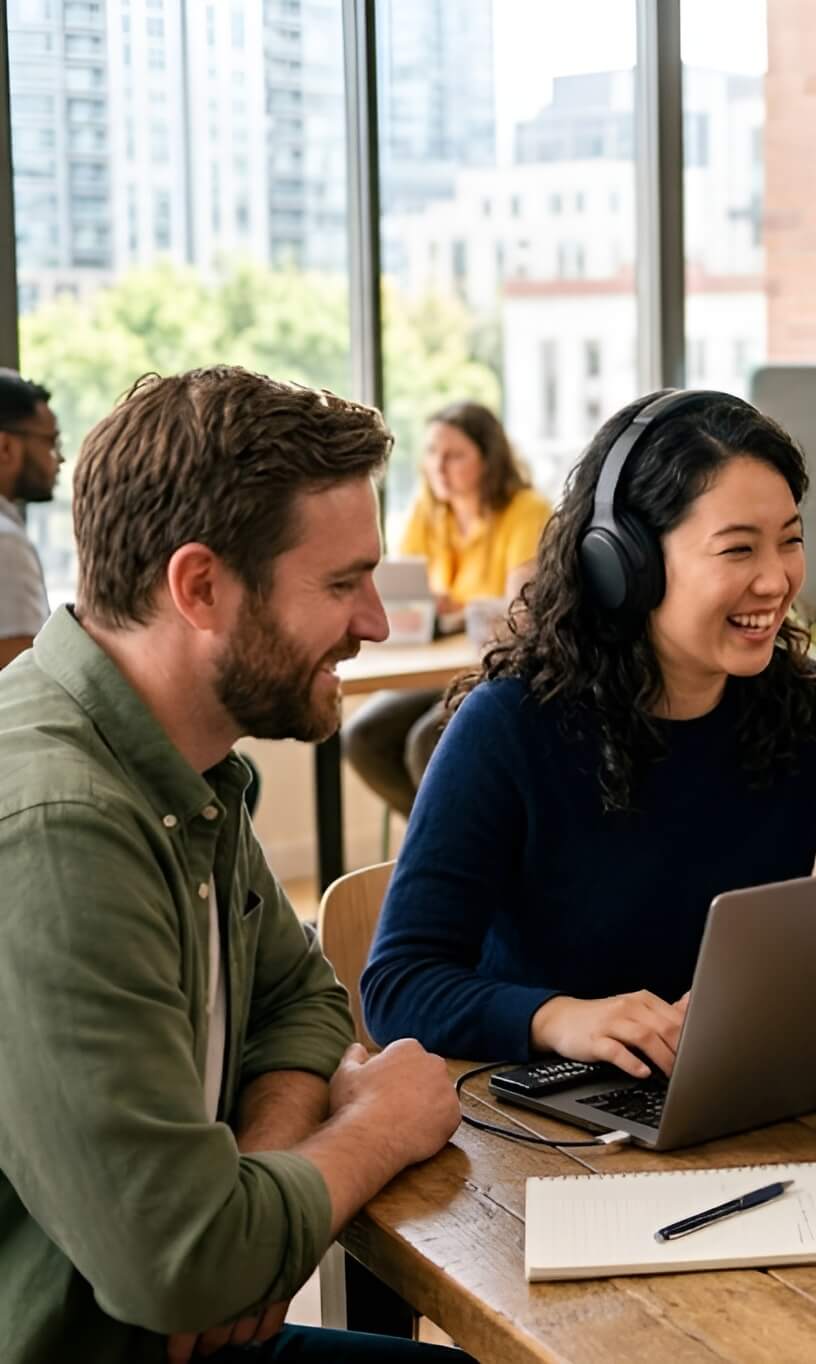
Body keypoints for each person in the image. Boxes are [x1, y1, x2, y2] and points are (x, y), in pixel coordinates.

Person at [0, 367, 466, 1361]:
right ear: (200, 586)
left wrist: (255, 1184)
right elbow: (181, 1262)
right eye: (342, 582)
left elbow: (299, 999)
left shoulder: (178, 759)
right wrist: (378, 1121)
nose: (375, 621)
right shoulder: (59, 824)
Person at [359, 390, 816, 1074]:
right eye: (738, 549)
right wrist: (557, 1018)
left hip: (747, 1085)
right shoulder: (507, 727)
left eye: (791, 540)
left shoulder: (806, 706)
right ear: (624, 561)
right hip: (556, 1125)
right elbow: (399, 986)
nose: (777, 580)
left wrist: (810, 994)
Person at [342, 402, 550, 816]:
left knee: (427, 742)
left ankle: (458, 851)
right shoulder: (428, 510)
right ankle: (429, 840)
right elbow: (408, 594)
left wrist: (452, 609)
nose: (439, 465)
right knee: (362, 736)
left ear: (489, 459)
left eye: (454, 455)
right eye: (432, 452)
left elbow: (520, 612)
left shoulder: (526, 512)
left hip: (498, 666)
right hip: (442, 665)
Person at [0, 369, 59, 669]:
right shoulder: (4, 542)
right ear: (5, 447)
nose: (58, 458)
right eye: (49, 441)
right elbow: (16, 675)